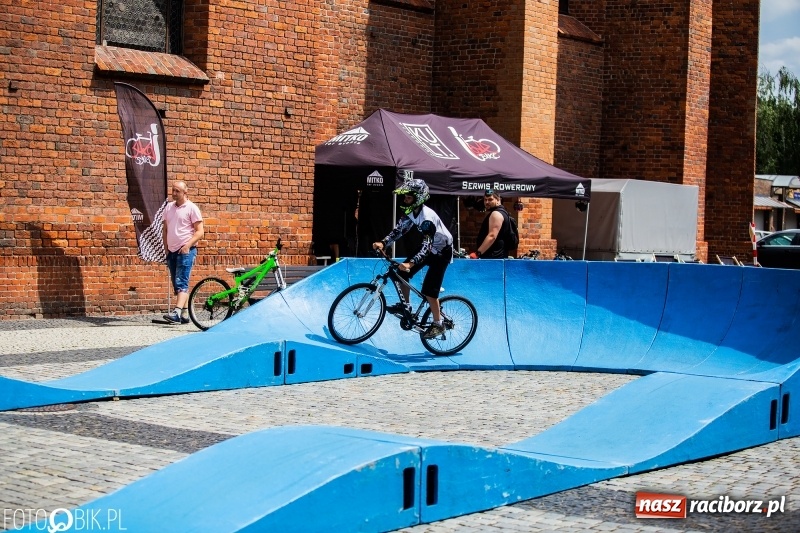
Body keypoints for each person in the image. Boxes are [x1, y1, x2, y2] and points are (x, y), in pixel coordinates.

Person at [373, 177, 453, 339]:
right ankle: (407, 307)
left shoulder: (427, 218)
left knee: (429, 291)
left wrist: (411, 263)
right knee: (401, 274)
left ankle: (438, 324)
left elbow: (427, 246)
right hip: (429, 248)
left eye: (408, 197)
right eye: (405, 197)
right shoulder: (411, 211)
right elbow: (399, 230)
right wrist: (384, 242)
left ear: (418, 198)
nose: (405, 200)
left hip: (442, 252)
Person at [162, 180, 204, 324]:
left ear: (185, 192)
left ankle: (177, 312)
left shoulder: (192, 208)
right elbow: (165, 229)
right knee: (177, 284)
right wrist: (166, 248)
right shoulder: (168, 207)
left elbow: (200, 232)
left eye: (177, 191)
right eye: (173, 190)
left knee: (182, 282)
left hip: (186, 251)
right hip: (172, 251)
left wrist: (187, 246)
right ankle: (185, 315)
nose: (174, 193)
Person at [470, 189, 511, 259]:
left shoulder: (496, 214)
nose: (487, 202)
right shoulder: (502, 212)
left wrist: (478, 253)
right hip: (495, 257)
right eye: (485, 200)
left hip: (493, 258)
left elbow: (492, 236)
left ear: (498, 200)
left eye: (490, 199)